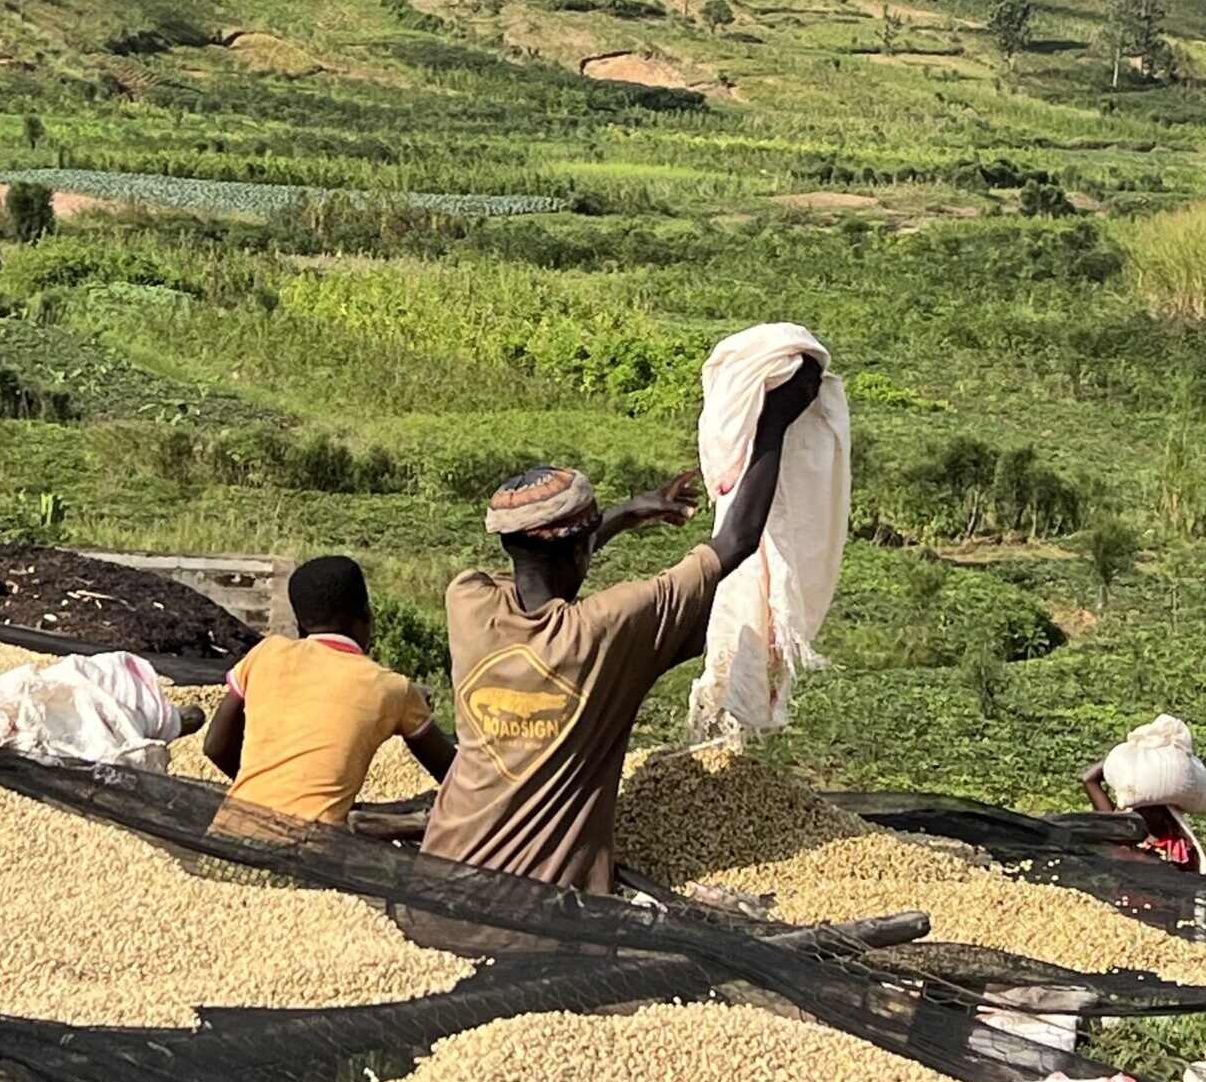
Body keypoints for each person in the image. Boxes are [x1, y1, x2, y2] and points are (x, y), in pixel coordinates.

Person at [420, 354, 825, 896]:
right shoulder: (608, 629)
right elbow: (738, 540)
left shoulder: (467, 601)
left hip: (434, 884)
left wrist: (623, 516)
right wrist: (773, 421)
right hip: (533, 916)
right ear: (582, 551)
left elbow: (551, 563)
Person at [201, 556, 454, 830]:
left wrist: (269, 795)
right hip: (313, 847)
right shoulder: (392, 687)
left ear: (299, 626)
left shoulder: (266, 653)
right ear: (366, 614)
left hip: (228, 832)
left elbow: (215, 747)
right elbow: (457, 777)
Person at [1081, 714, 1206, 875]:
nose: (1142, 814)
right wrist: (1129, 758)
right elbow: (1088, 779)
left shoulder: (1178, 847)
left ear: (1166, 814)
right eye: (1139, 809)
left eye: (1151, 809)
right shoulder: (1121, 833)